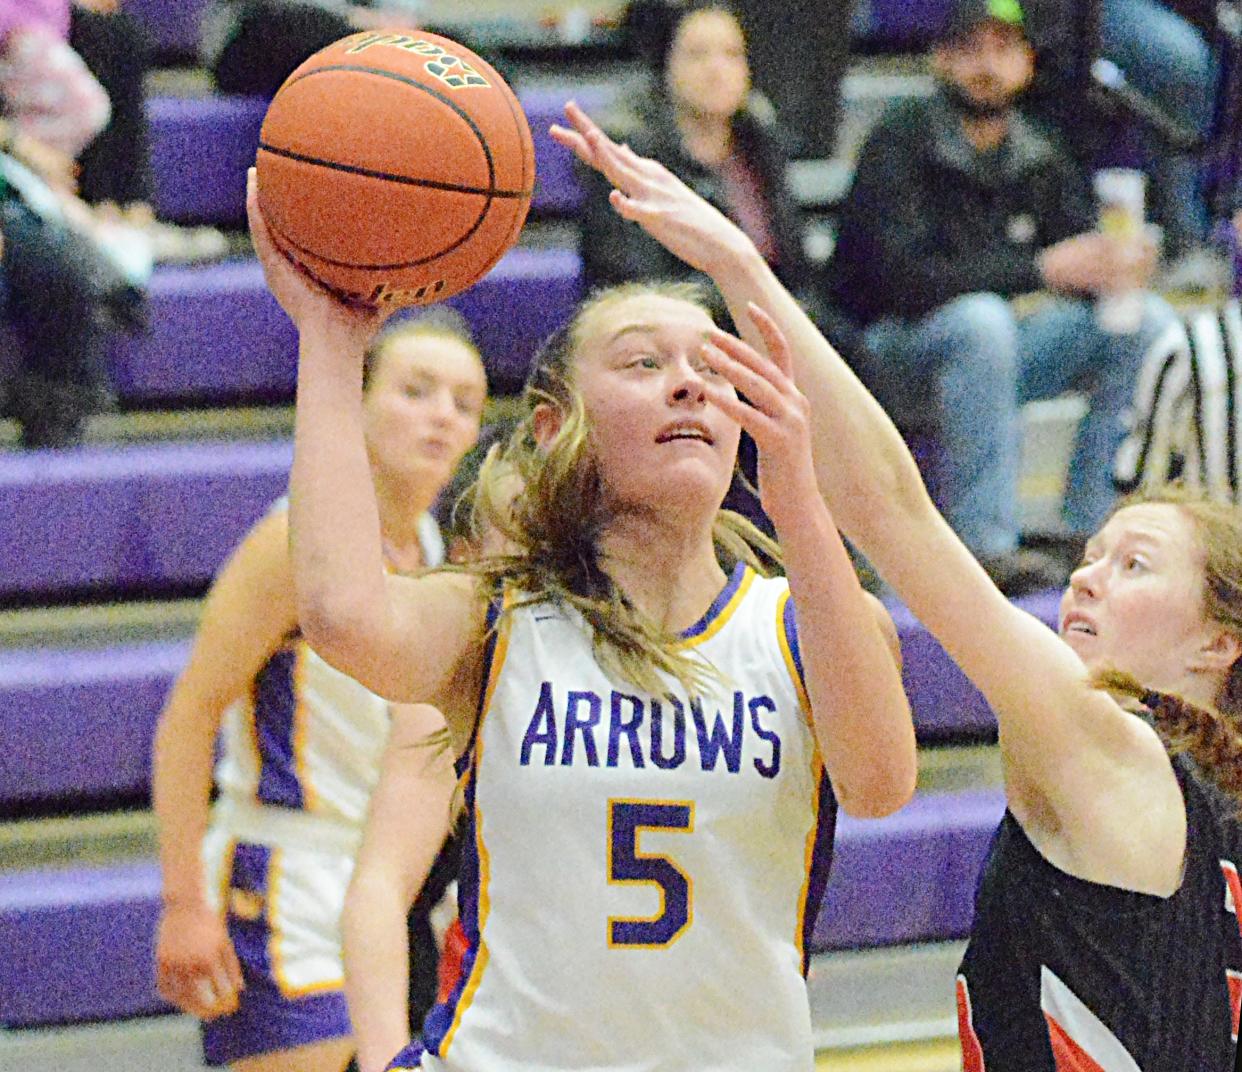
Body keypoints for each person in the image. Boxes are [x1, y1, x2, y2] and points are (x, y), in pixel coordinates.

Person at [554, 99, 1242, 1069]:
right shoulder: (1216, 824)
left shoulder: (1111, 753)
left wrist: (741, 269)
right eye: (1091, 553)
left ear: (1220, 642)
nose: (1086, 580)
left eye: (1133, 567)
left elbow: (891, 509)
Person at [245, 120, 918, 1069]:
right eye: (645, 364)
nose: (689, 385)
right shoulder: (500, 616)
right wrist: (329, 344)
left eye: (712, 368)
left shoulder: (803, 624)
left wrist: (800, 496)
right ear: (560, 425)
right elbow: (345, 616)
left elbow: (882, 783)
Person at [151, 311, 487, 1071]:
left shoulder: (434, 550)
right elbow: (190, 714)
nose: (442, 414)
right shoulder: (293, 541)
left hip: (385, 890)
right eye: (416, 390)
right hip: (282, 880)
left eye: (464, 402)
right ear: (358, 402)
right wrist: (181, 903)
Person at [825, 0, 1179, 595]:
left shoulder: (1039, 148)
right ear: (940, 59)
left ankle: (1095, 527)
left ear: (1028, 62)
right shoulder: (898, 140)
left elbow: (1076, 254)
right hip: (887, 354)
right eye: (970, 49)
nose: (987, 66)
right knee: (981, 322)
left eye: (1003, 49)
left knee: (1143, 321)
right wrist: (1040, 269)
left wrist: (1117, 262)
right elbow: (897, 281)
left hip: (996, 357)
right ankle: (983, 547)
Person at [580, 1, 812, 305]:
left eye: (732, 54)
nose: (717, 70)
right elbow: (636, 284)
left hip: (771, 324)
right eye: (698, 54)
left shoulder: (762, 144)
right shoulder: (629, 158)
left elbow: (798, 272)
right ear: (665, 64)